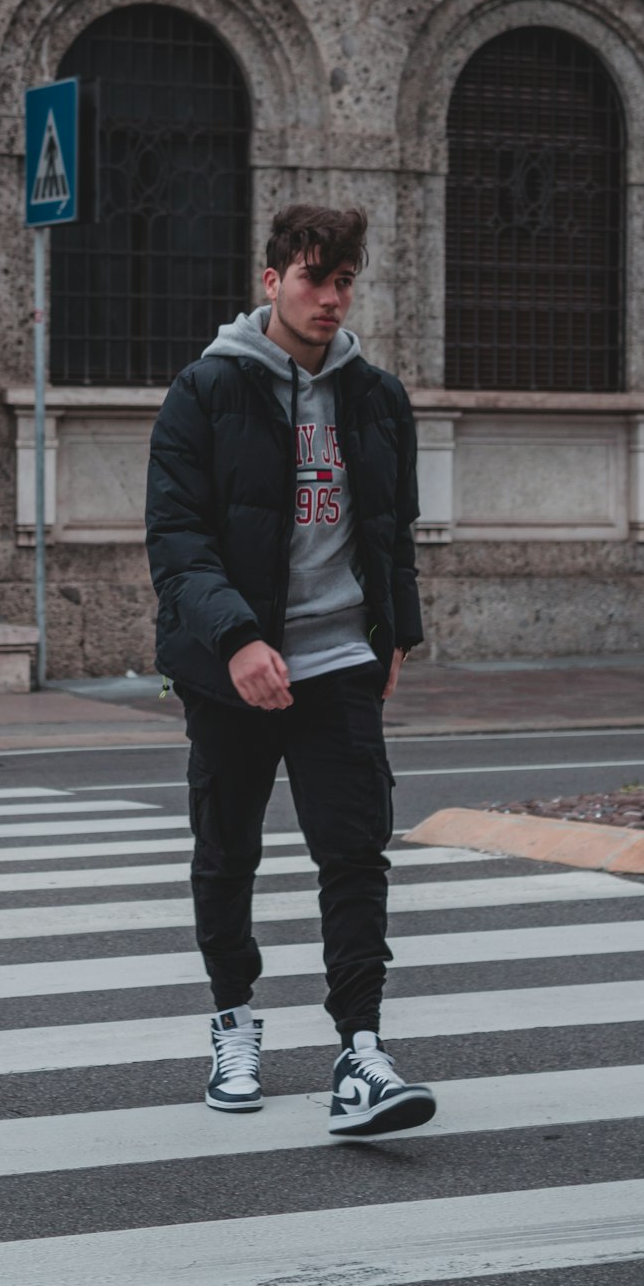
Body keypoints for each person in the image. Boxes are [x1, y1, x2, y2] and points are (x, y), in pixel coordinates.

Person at [145, 203, 436, 1137]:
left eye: (344, 280)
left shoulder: (377, 395)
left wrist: (398, 634)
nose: (330, 297)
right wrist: (236, 641)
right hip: (232, 667)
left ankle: (362, 1049)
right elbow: (177, 541)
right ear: (272, 282)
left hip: (340, 658)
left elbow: (395, 533)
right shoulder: (205, 390)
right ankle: (233, 1022)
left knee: (354, 851)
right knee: (227, 851)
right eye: (314, 277)